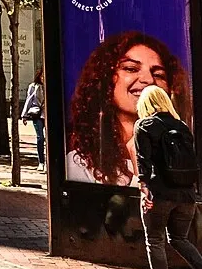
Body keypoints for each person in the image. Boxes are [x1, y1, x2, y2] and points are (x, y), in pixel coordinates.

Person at [67, 31, 191, 188]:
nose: (148, 80)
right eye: (131, 69)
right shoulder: (79, 165)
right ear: (106, 79)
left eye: (159, 74)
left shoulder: (183, 147)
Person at [134, 83, 202, 269]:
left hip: (159, 193)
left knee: (154, 239)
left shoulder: (144, 126)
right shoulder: (182, 126)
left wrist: (144, 190)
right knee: (179, 238)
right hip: (186, 194)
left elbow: (143, 161)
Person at [20, 69, 46, 168]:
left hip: (47, 115)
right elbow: (28, 100)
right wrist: (24, 115)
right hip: (37, 114)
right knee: (40, 137)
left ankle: (48, 161)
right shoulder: (33, 86)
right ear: (39, 76)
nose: (43, 78)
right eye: (42, 76)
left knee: (49, 139)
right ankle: (41, 162)